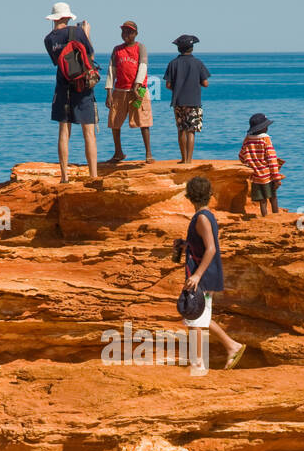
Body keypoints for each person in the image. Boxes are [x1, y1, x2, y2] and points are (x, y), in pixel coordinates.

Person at [181, 175, 246, 375]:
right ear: (209, 195)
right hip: (205, 273)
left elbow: (210, 249)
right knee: (198, 316)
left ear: (189, 196)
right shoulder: (206, 215)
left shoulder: (201, 218)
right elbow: (204, 245)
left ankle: (199, 363)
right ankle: (230, 346)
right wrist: (185, 245)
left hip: (203, 275)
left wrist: (197, 276)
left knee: (194, 318)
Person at [43, 1, 98, 182]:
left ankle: (64, 176)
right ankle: (93, 176)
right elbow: (90, 56)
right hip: (82, 86)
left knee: (64, 132)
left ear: (54, 19)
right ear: (67, 17)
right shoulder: (78, 32)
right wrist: (87, 34)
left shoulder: (48, 39)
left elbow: (59, 62)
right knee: (88, 133)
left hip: (63, 87)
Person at [104, 21, 154, 163]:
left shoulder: (140, 48)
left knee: (143, 120)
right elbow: (111, 71)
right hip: (120, 90)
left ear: (135, 34)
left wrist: (137, 86)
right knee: (114, 121)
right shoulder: (117, 50)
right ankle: (118, 152)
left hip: (139, 91)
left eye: (129, 32)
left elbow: (143, 66)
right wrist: (109, 92)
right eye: (124, 31)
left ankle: (148, 153)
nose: (126, 34)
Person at [163, 34, 210, 164]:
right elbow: (205, 83)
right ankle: (189, 160)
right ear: (192, 48)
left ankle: (183, 159)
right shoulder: (198, 63)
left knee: (181, 129)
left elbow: (168, 85)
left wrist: (178, 87)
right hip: (194, 101)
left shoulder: (173, 63)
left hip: (178, 101)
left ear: (179, 49)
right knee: (191, 130)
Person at [238, 112, 285, 215]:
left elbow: (241, 156)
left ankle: (265, 217)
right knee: (273, 197)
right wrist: (276, 177)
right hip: (268, 175)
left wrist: (249, 162)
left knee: (262, 201)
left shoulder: (247, 140)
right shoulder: (265, 139)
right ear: (262, 128)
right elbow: (272, 159)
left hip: (256, 176)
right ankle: (276, 215)